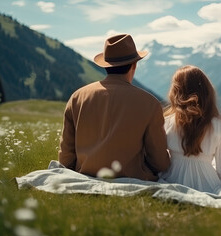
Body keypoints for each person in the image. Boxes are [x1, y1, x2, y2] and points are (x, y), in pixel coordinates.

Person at [58, 34, 170, 181]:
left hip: (85, 175)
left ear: (106, 65)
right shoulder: (150, 103)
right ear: (134, 66)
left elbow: (66, 157)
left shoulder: (77, 97)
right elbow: (160, 163)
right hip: (133, 178)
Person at [160, 65, 221, 193]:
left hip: (171, 181)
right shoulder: (219, 126)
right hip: (210, 186)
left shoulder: (166, 123)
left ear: (175, 92)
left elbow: (160, 161)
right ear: (207, 92)